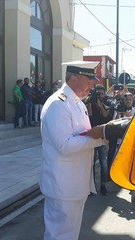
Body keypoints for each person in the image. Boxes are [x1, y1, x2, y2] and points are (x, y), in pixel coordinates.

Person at [40, 61, 107, 240]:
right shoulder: (58, 104)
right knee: (59, 235)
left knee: (70, 235)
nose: (92, 84)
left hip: (76, 184)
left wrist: (101, 133)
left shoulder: (78, 104)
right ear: (73, 78)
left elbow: (84, 135)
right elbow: (65, 145)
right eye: (89, 79)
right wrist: (100, 137)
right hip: (63, 185)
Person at [85, 84, 112, 195]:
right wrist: (90, 106)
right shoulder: (90, 103)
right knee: (90, 163)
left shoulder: (107, 104)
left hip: (103, 138)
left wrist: (101, 106)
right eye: (98, 93)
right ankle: (91, 186)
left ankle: (103, 185)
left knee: (103, 163)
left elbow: (108, 117)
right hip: (92, 138)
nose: (100, 96)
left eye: (101, 93)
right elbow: (89, 120)